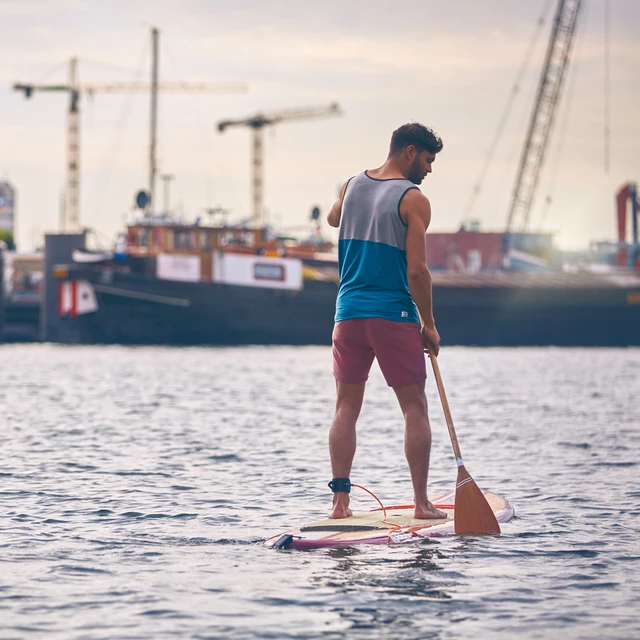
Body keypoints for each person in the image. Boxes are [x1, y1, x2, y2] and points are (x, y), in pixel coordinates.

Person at [326, 122, 445, 520]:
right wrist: (428, 324)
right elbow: (418, 273)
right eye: (428, 160)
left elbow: (332, 218)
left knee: (346, 406)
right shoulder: (413, 200)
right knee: (415, 407)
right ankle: (422, 503)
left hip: (347, 314)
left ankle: (340, 504)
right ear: (410, 152)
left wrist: (350, 196)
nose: (429, 169)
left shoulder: (350, 185)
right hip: (392, 315)